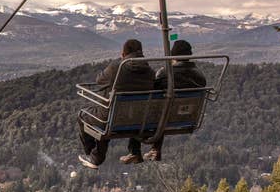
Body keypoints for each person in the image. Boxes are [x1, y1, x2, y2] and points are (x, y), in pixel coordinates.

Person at [79, 38, 155, 168]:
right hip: (139, 120)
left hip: (113, 118)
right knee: (108, 115)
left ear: (124, 53)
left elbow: (99, 80)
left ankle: (93, 154)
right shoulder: (150, 72)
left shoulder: (117, 68)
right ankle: (134, 151)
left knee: (83, 115)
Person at [135, 38, 208, 162]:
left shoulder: (166, 74)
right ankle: (155, 149)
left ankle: (137, 152)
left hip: (163, 116)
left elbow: (154, 89)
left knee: (158, 110)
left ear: (173, 55)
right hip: (187, 116)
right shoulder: (200, 77)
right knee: (165, 111)